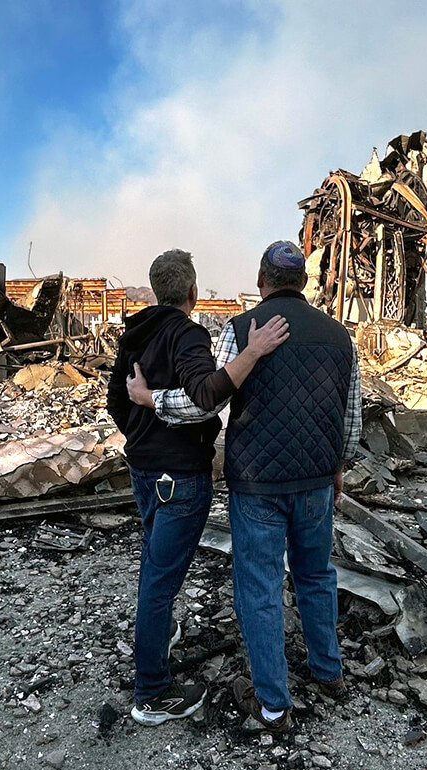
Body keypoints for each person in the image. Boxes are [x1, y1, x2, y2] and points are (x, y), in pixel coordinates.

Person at [128, 240, 361, 732]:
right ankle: (328, 671)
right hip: (317, 480)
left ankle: (273, 705)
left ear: (261, 281)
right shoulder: (340, 336)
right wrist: (338, 463)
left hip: (257, 483)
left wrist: (151, 400)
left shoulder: (240, 330)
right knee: (316, 575)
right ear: (301, 282)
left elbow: (206, 402)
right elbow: (351, 416)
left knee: (259, 587)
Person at [106, 248, 289, 726]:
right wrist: (251, 353)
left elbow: (116, 403)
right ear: (192, 291)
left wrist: (143, 437)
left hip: (143, 470)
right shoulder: (187, 333)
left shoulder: (135, 332)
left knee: (153, 565)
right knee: (159, 582)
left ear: (155, 288)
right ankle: (151, 693)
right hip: (180, 477)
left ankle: (157, 637)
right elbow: (206, 398)